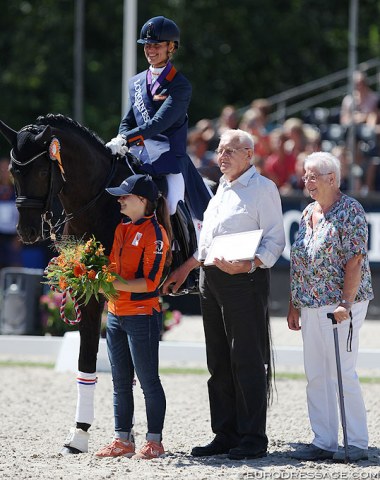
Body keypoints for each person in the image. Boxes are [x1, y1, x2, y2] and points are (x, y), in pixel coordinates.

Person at [163, 129, 285, 460]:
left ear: (250, 154)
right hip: (212, 280)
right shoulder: (220, 190)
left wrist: (248, 264)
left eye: (230, 150)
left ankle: (252, 437)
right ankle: (225, 432)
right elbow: (207, 243)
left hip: (244, 280)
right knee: (217, 360)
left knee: (246, 358)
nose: (222, 156)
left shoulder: (263, 190)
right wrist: (187, 268)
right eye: (220, 150)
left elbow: (275, 241)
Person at [287, 151, 374, 462]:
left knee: (341, 372)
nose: (307, 181)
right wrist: (294, 303)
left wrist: (345, 304)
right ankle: (324, 441)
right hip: (309, 304)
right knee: (316, 374)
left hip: (340, 304)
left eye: (313, 176)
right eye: (305, 175)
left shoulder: (351, 210)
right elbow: (301, 261)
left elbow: (355, 260)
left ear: (332, 179)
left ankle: (356, 442)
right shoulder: (309, 211)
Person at [106, 15, 211, 230]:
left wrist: (126, 138)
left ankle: (183, 246)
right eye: (147, 45)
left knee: (172, 206)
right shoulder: (136, 82)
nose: (150, 50)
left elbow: (159, 123)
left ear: (171, 47)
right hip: (138, 156)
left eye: (156, 45)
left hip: (168, 159)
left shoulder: (180, 85)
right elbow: (127, 120)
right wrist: (120, 138)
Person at [95, 174, 170, 460]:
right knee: (120, 382)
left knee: (149, 381)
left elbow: (150, 283)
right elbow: (114, 269)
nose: (120, 200)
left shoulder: (157, 233)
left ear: (142, 200)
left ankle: (154, 442)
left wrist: (111, 284)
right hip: (115, 314)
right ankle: (122, 439)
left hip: (142, 315)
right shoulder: (121, 229)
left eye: (125, 196)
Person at [0, 157, 23, 269]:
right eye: (1, 170)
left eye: (6, 170)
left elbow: (22, 215)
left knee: (14, 267)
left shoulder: (17, 191)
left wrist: (18, 237)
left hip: (13, 237)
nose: (4, 173)